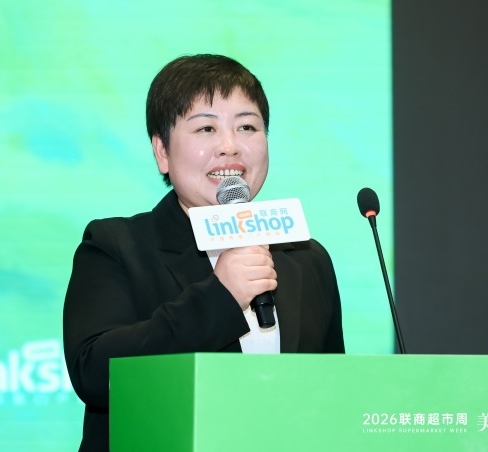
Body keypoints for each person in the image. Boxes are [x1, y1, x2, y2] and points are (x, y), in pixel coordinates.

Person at [63, 54, 344, 451]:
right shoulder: (116, 245)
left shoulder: (306, 258)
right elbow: (94, 373)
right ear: (162, 151)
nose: (230, 147)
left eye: (247, 127)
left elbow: (331, 395)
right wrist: (219, 297)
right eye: (206, 128)